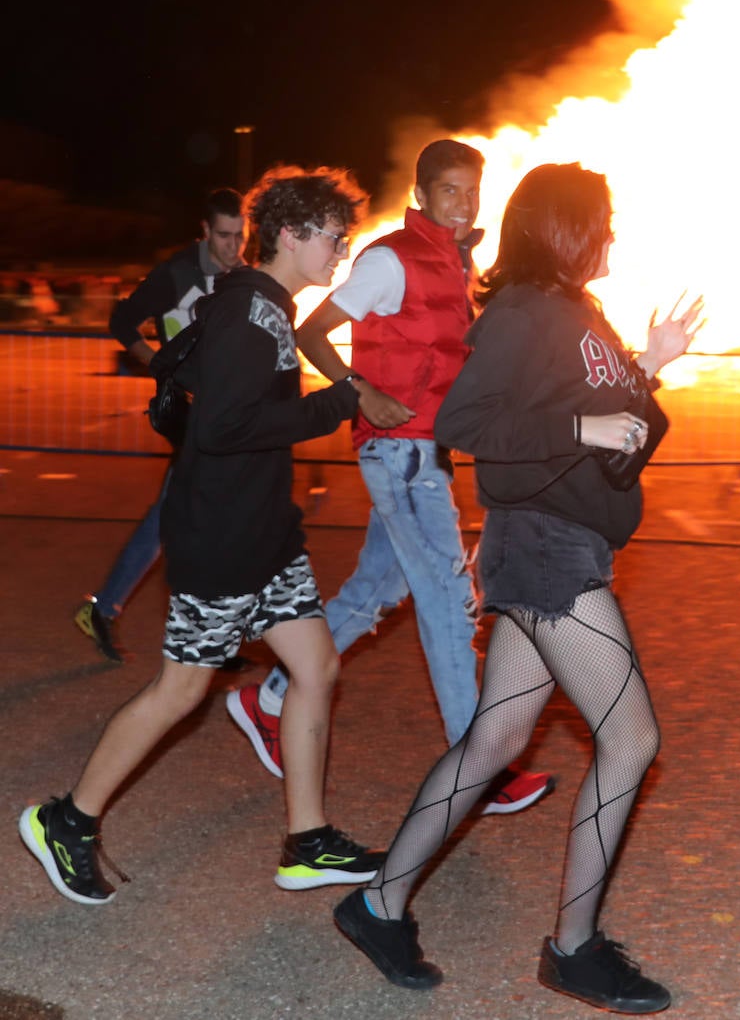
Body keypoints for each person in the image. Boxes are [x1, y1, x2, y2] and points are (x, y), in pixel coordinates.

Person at [332, 162, 702, 1014]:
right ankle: (574, 949)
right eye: (600, 220)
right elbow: (464, 422)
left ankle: (378, 904)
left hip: (565, 542)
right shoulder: (522, 311)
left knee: (493, 743)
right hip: (543, 550)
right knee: (632, 741)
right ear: (565, 226)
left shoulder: (583, 317)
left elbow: (608, 424)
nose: (611, 234)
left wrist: (647, 363)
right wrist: (583, 421)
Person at [20, 165, 389, 905]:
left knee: (315, 668)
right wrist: (334, 406)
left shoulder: (269, 311)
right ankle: (67, 820)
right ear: (289, 235)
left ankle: (307, 841)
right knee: (180, 689)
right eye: (332, 238)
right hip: (220, 538)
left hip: (262, 534)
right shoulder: (250, 316)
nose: (340, 253)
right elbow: (222, 428)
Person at [225, 140, 552, 816]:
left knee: (378, 588)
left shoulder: (452, 262)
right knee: (447, 599)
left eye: (472, 192)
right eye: (451, 191)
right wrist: (360, 391)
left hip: (425, 450)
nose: (463, 205)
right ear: (424, 194)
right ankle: (478, 761)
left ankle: (271, 698)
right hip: (400, 451)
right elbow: (314, 331)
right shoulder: (388, 258)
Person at [73, 187, 248, 663]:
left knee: (177, 517)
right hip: (187, 412)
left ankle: (107, 610)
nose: (234, 247)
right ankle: (209, 632)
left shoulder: (241, 275)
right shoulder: (175, 274)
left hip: (223, 410)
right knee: (200, 516)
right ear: (206, 232)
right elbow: (122, 321)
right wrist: (160, 364)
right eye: (225, 236)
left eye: (241, 236)